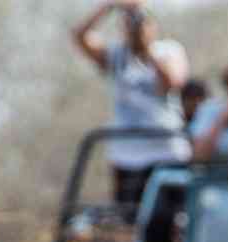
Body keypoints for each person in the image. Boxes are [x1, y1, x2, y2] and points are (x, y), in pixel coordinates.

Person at [71, 0, 190, 208]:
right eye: (130, 24)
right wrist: (111, 6)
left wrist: (147, 51)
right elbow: (79, 36)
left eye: (141, 23)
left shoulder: (169, 50)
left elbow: (173, 82)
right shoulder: (116, 55)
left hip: (166, 151)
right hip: (126, 155)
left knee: (169, 217)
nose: (136, 28)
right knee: (127, 217)